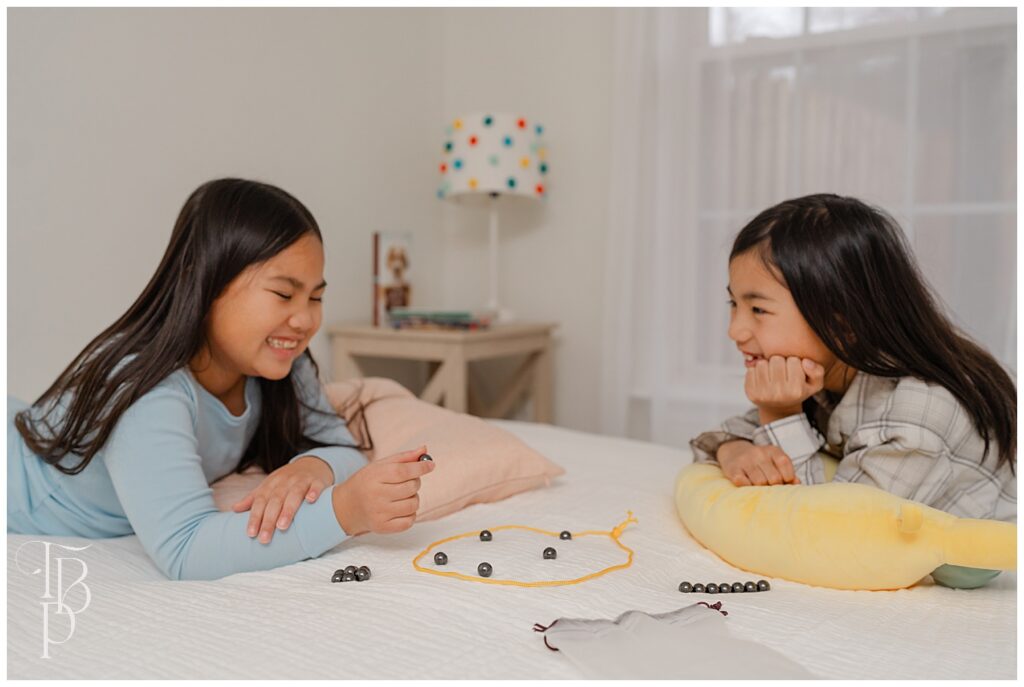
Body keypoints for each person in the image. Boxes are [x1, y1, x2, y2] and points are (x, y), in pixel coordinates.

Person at [8, 178, 434, 580]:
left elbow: (342, 448)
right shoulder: (147, 391)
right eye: (284, 294)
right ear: (205, 281)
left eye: (316, 297)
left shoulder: (280, 363)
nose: (304, 320)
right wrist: (342, 512)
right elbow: (185, 549)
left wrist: (313, 466)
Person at [690, 193, 1016, 588]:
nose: (735, 331)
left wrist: (780, 414)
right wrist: (735, 449)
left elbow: (838, 538)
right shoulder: (830, 372)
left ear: (842, 320)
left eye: (758, 310)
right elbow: (726, 435)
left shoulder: (920, 407)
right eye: (734, 304)